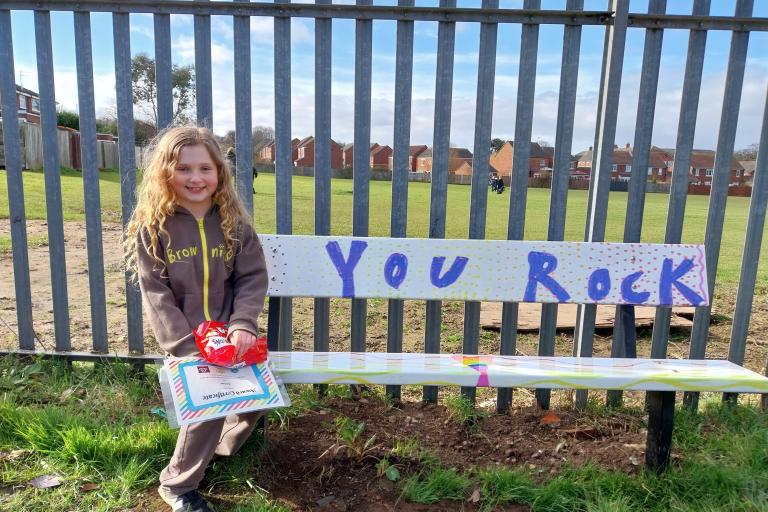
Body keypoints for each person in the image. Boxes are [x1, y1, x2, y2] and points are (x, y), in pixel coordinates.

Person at [124, 127, 268, 512]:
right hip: (186, 341)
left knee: (257, 397)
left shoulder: (234, 223)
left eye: (205, 167)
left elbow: (252, 278)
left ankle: (224, 447)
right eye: (183, 168)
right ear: (165, 173)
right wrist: (185, 348)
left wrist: (243, 325)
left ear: (219, 172)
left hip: (233, 334)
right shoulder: (155, 227)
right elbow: (156, 293)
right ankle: (177, 484)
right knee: (208, 406)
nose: (195, 177)